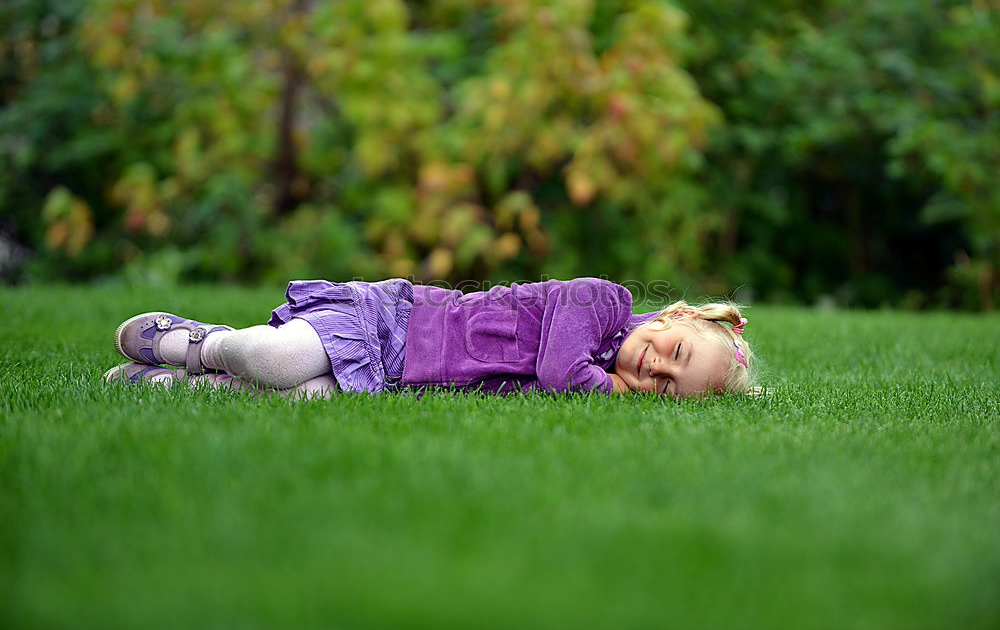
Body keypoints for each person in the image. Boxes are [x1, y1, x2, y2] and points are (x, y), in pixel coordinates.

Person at [102, 277, 755, 399]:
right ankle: (201, 345)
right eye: (673, 353)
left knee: (305, 400)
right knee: (278, 357)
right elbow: (559, 366)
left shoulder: (600, 383)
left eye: (667, 388)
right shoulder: (601, 301)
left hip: (395, 380)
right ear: (673, 316)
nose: (654, 370)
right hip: (391, 322)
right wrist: (614, 391)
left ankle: (192, 387)